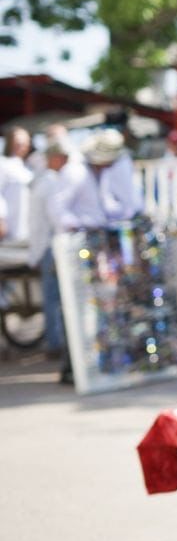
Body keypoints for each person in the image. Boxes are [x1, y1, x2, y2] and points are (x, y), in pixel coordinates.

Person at [27, 139, 77, 383]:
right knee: (55, 299)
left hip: (51, 246)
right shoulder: (49, 183)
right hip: (51, 246)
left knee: (55, 299)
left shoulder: (50, 181)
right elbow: (47, 222)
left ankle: (57, 344)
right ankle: (55, 343)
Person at [0, 126, 34, 242]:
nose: (22, 147)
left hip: (27, 228)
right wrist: (1, 219)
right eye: (18, 143)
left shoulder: (29, 166)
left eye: (25, 143)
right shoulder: (3, 164)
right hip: (9, 227)